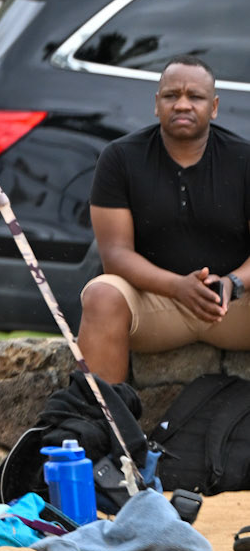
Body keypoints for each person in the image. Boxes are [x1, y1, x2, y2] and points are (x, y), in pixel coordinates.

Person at [78, 56, 250, 383]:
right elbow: (115, 255)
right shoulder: (120, 158)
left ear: (213, 107)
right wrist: (177, 287)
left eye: (195, 96)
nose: (182, 104)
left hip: (232, 306)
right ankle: (101, 414)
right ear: (157, 104)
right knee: (102, 294)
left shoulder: (244, 159)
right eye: (172, 95)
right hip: (155, 305)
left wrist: (233, 283)